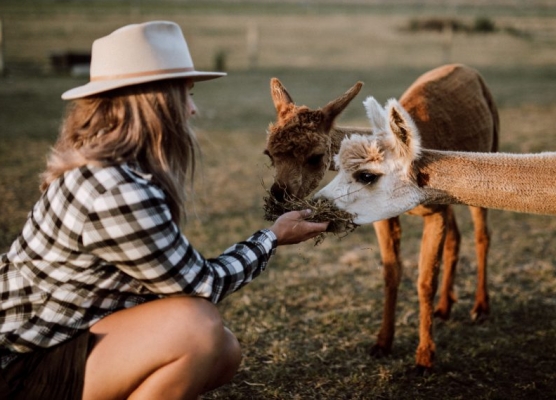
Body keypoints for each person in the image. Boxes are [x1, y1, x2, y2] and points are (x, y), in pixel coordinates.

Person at [0, 21, 328, 400]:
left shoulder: (105, 165)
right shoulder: (116, 189)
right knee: (196, 328)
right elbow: (201, 284)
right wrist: (272, 238)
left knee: (224, 351)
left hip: (60, 341)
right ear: (153, 102)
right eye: (183, 95)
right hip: (20, 366)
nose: (192, 109)